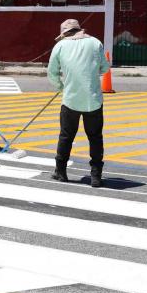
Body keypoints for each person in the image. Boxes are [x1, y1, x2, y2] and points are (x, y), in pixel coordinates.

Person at [47, 18, 110, 187]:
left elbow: (52, 73)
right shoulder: (95, 43)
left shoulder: (60, 46)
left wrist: (61, 86)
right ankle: (96, 175)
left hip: (70, 100)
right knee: (95, 137)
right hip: (93, 100)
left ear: (65, 33)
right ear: (79, 30)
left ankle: (60, 172)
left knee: (66, 136)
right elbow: (105, 68)